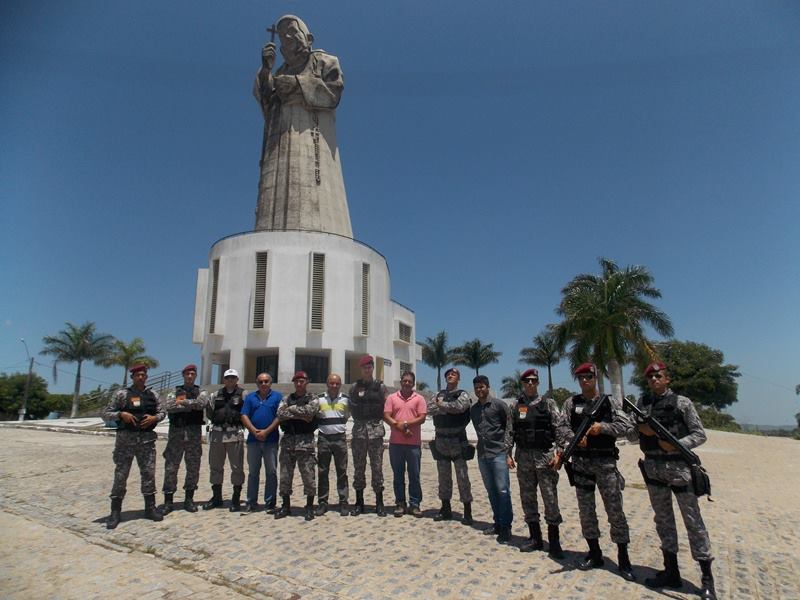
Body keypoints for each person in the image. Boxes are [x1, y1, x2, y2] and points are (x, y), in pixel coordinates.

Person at [252, 14, 352, 238]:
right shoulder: (278, 73)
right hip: (279, 143)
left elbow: (333, 93)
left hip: (313, 138)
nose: (287, 37)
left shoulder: (325, 61)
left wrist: (297, 83)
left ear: (309, 37)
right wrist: (266, 70)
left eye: (292, 32)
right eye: (282, 35)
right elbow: (267, 105)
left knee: (318, 202)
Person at [629, 362, 716, 599]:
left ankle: (707, 578)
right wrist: (641, 430)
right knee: (664, 521)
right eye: (651, 377)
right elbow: (630, 433)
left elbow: (700, 434)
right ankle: (671, 571)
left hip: (679, 469)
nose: (654, 380)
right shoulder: (643, 404)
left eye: (658, 376)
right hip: (654, 468)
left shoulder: (682, 403)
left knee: (693, 522)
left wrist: (676, 444)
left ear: (667, 379)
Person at [558, 363, 635, 580]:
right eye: (581, 377)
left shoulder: (609, 402)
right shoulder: (571, 403)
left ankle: (623, 558)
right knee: (586, 512)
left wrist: (602, 428)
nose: (585, 381)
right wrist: (574, 438)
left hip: (605, 463)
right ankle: (594, 552)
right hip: (581, 464)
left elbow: (626, 426)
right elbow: (561, 426)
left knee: (615, 510)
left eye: (589, 376)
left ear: (595, 377)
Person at [508, 368, 570, 557]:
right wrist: (507, 453)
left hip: (545, 458)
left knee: (550, 499)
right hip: (524, 458)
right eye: (527, 381)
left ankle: (554, 542)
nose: (530, 384)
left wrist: (560, 452)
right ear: (522, 383)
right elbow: (509, 431)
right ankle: (535, 538)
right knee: (528, 499)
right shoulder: (515, 406)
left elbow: (559, 429)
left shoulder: (548, 404)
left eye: (534, 381)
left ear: (538, 383)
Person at [103, 364, 165, 529]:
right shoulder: (122, 394)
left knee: (148, 474)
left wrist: (154, 419)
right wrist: (121, 414)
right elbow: (106, 413)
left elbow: (162, 412)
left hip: (146, 441)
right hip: (126, 441)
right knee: (121, 476)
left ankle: (150, 508)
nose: (141, 377)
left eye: (143, 375)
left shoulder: (153, 394)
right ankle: (115, 511)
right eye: (138, 375)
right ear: (132, 377)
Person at [470, 375, 514, 545]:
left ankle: (506, 526)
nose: (479, 390)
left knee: (503, 491)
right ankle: (497, 522)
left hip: (498, 453)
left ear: (488, 387)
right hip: (482, 455)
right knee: (491, 491)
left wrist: (508, 451)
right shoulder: (473, 410)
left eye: (482, 387)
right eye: (476, 388)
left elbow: (509, 427)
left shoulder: (499, 405)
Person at [428, 367, 473, 524]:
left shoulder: (463, 394)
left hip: (457, 440)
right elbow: (430, 408)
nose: (450, 376)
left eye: (453, 374)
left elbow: (460, 407)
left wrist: (443, 406)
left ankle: (467, 510)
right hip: (441, 441)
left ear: (458, 378)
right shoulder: (438, 395)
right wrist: (446, 407)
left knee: (462, 477)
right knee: (443, 477)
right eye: (448, 374)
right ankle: (445, 508)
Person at [161, 364, 209, 514]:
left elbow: (201, 404)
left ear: (195, 376)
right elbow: (169, 406)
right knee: (171, 467)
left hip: (193, 434)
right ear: (183, 375)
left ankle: (189, 499)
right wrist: (190, 404)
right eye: (187, 373)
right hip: (176, 433)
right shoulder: (174, 391)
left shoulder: (201, 391)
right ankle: (168, 501)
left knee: (193, 467)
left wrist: (181, 402)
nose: (190, 376)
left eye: (192, 374)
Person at [275, 371, 320, 520]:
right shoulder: (286, 398)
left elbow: (311, 412)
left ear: (307, 382)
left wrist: (292, 410)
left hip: (305, 442)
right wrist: (300, 414)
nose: (299, 383)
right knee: (285, 476)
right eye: (296, 381)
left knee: (308, 475)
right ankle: (285, 506)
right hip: (288, 441)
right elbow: (280, 414)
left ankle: (309, 507)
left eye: (302, 381)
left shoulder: (313, 398)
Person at [383, 371, 427, 517]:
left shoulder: (419, 399)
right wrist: (398, 426)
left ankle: (415, 504)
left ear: (413, 383)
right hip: (396, 444)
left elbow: (422, 418)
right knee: (398, 475)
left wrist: (405, 424)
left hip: (413, 444)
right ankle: (400, 503)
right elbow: (386, 415)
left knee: (414, 475)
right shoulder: (392, 397)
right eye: (404, 380)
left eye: (409, 381)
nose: (407, 383)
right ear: (400, 382)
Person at [348, 355, 388, 516]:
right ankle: (359, 502)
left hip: (375, 431)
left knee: (377, 468)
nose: (367, 369)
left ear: (372, 368)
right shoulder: (354, 387)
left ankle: (379, 502)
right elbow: (351, 406)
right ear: (361, 369)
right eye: (364, 367)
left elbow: (386, 407)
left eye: (370, 366)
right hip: (359, 433)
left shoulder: (381, 387)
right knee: (359, 468)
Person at [203, 369, 246, 511]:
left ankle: (235, 498)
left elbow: (246, 412)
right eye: (228, 378)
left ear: (237, 379)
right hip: (218, 434)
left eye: (233, 377)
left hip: (234, 433)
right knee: (215, 466)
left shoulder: (243, 395)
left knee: (237, 467)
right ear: (224, 379)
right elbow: (209, 412)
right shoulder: (215, 395)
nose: (230, 380)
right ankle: (216, 497)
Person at [240, 372, 282, 513]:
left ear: (271, 383)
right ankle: (251, 501)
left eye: (266, 381)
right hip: (253, 440)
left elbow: (279, 416)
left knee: (271, 472)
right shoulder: (250, 397)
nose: (263, 384)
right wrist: (254, 431)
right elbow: (244, 415)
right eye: (261, 381)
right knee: (253, 472)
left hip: (271, 440)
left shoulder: (277, 397)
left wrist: (266, 431)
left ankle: (270, 501)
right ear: (257, 383)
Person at [315, 373, 350, 517]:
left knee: (342, 471)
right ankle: (323, 502)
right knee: (323, 471)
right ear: (327, 384)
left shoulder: (346, 400)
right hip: (324, 439)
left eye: (336, 383)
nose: (334, 386)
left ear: (340, 384)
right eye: (331, 383)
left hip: (340, 439)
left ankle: (343, 502)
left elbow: (347, 416)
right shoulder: (318, 399)